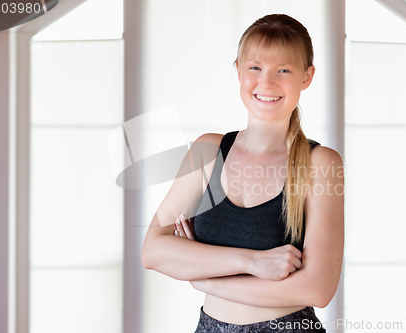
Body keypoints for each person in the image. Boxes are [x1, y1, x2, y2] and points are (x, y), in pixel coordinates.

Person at [142, 13, 344, 332]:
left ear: (307, 77)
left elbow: (317, 289)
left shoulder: (321, 163)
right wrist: (251, 262)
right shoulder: (207, 151)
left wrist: (204, 278)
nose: (267, 83)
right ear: (238, 70)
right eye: (255, 68)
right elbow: (153, 251)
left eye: (284, 70)